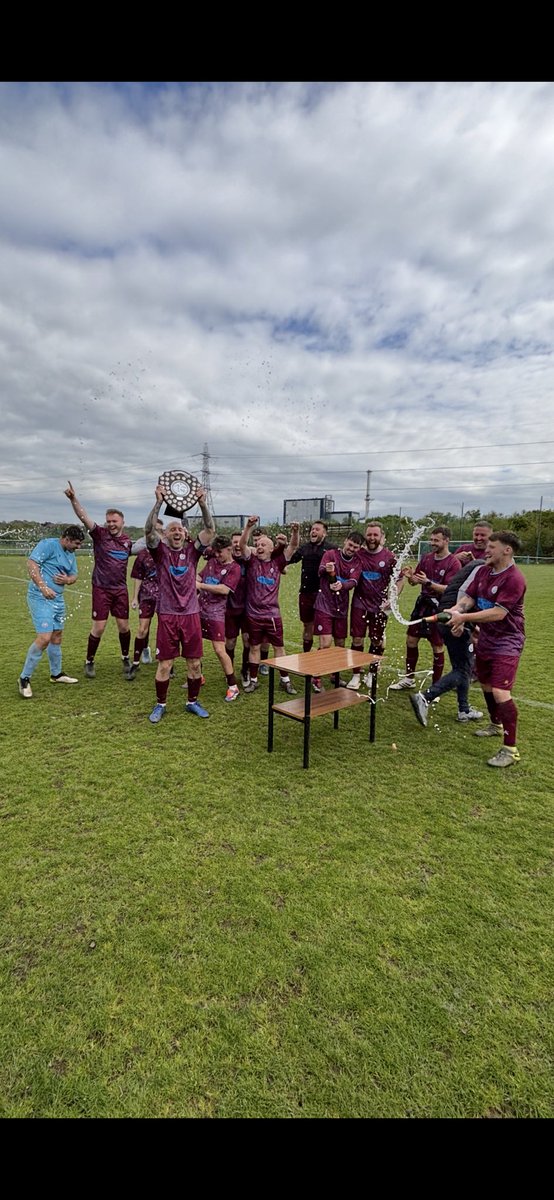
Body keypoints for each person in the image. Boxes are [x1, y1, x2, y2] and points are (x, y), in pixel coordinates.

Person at [444, 531, 526, 768]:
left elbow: (498, 613)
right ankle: (495, 724)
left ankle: (510, 749)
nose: (486, 551)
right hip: (487, 638)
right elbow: (468, 599)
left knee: (501, 692)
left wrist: (463, 617)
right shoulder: (482, 571)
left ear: (506, 550)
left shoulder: (514, 579)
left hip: (508, 641)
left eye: (492, 547)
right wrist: (456, 611)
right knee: (487, 686)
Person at [145, 484, 215, 723]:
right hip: (167, 615)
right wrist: (157, 503)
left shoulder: (193, 553)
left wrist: (202, 504)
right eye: (172, 529)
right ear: (166, 534)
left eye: (180, 530)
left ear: (185, 534)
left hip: (191, 615)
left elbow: (209, 529)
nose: (176, 532)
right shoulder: (160, 553)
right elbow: (148, 532)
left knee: (195, 663)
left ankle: (192, 702)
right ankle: (160, 704)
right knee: (165, 664)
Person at [64, 481, 134, 679]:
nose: (111, 524)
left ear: (122, 522)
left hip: (120, 589)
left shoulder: (128, 541)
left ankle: (125, 658)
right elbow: (83, 516)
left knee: (124, 626)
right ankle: (89, 661)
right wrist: (73, 499)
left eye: (114, 521)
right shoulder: (99, 535)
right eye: (108, 521)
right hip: (101, 588)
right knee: (99, 627)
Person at [408, 558, 486, 727]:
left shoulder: (475, 566)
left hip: (448, 617)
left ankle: (463, 709)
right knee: (462, 669)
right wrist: (462, 621)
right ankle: (425, 697)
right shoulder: (482, 568)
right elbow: (464, 595)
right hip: (453, 619)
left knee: (463, 665)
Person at [390, 526, 461, 690]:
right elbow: (415, 581)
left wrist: (428, 583)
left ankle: (436, 686)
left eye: (436, 540)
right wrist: (410, 577)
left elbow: (450, 589)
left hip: (440, 608)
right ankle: (409, 678)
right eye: (431, 540)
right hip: (423, 604)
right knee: (411, 640)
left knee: (437, 646)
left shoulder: (453, 563)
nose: (432, 543)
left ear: (446, 541)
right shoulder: (427, 558)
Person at [18, 525, 85, 697]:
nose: (79, 547)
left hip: (58, 600)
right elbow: (32, 563)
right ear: (67, 539)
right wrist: (43, 587)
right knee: (44, 638)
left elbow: (74, 575)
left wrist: (68, 579)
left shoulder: (70, 554)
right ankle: (24, 679)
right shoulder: (48, 545)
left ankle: (56, 674)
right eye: (76, 543)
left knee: (56, 636)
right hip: (40, 598)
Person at [239, 516, 300, 694]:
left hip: (272, 615)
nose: (259, 547)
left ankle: (285, 680)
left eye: (263, 545)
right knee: (254, 647)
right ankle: (254, 680)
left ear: (272, 548)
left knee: (279, 647)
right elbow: (242, 545)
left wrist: (295, 532)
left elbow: (293, 547)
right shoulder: (251, 561)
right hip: (253, 614)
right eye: (258, 545)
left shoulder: (278, 562)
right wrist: (248, 527)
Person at [347, 522, 403, 691]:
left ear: (381, 537)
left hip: (380, 606)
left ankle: (372, 673)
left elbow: (400, 579)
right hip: (359, 603)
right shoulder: (359, 554)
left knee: (376, 640)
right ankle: (356, 674)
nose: (372, 538)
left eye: (375, 535)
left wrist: (392, 598)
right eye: (369, 535)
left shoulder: (389, 557)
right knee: (357, 639)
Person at [312, 533, 363, 690]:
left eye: (355, 547)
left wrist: (342, 586)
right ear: (345, 542)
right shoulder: (331, 554)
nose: (351, 549)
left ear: (359, 548)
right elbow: (320, 571)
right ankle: (317, 677)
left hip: (341, 606)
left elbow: (353, 581)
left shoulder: (357, 562)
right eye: (350, 545)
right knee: (325, 643)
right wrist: (327, 569)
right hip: (324, 605)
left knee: (340, 644)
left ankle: (335, 674)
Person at [197, 535, 242, 701]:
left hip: (216, 613)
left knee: (219, 650)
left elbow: (224, 590)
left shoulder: (234, 568)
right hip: (199, 609)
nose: (217, 555)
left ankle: (233, 686)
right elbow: (200, 576)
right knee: (194, 644)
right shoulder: (212, 562)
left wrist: (200, 586)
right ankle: (197, 676)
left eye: (220, 552)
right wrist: (195, 581)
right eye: (215, 552)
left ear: (229, 549)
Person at [288, 521, 337, 655]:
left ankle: (323, 656)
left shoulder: (332, 549)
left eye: (317, 529)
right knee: (307, 625)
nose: (313, 531)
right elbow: (290, 559)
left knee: (324, 627)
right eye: (312, 529)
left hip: (324, 594)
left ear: (324, 533)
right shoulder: (305, 548)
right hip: (306, 592)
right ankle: (306, 655)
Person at [128, 519, 165, 678]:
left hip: (165, 597)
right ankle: (135, 663)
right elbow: (138, 577)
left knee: (165, 631)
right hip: (147, 596)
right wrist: (135, 597)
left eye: (159, 531)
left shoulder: (166, 551)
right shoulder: (142, 554)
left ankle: (167, 663)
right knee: (143, 629)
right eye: (153, 531)